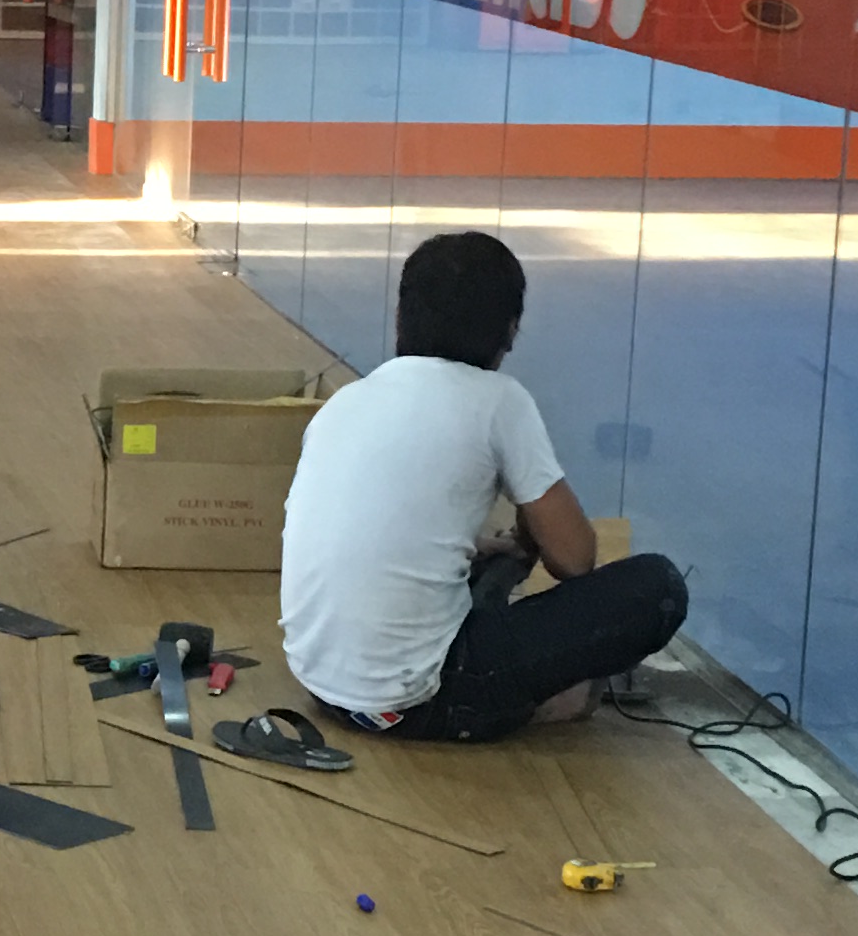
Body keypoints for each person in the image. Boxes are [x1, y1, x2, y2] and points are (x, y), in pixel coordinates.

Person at [265, 230, 688, 745]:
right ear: (509, 332)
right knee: (659, 588)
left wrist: (492, 547)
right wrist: (530, 512)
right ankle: (545, 704)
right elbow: (575, 560)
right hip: (421, 702)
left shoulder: (345, 402)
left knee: (498, 563)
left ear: (400, 317)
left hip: (323, 686)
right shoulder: (500, 401)